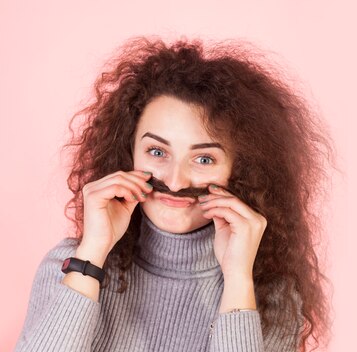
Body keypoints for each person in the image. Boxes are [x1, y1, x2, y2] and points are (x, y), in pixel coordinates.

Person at [14, 36, 337, 352]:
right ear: (128, 154)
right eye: (157, 151)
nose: (177, 180)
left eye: (204, 158)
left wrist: (238, 280)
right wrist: (93, 255)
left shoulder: (271, 297)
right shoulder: (69, 264)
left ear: (241, 171)